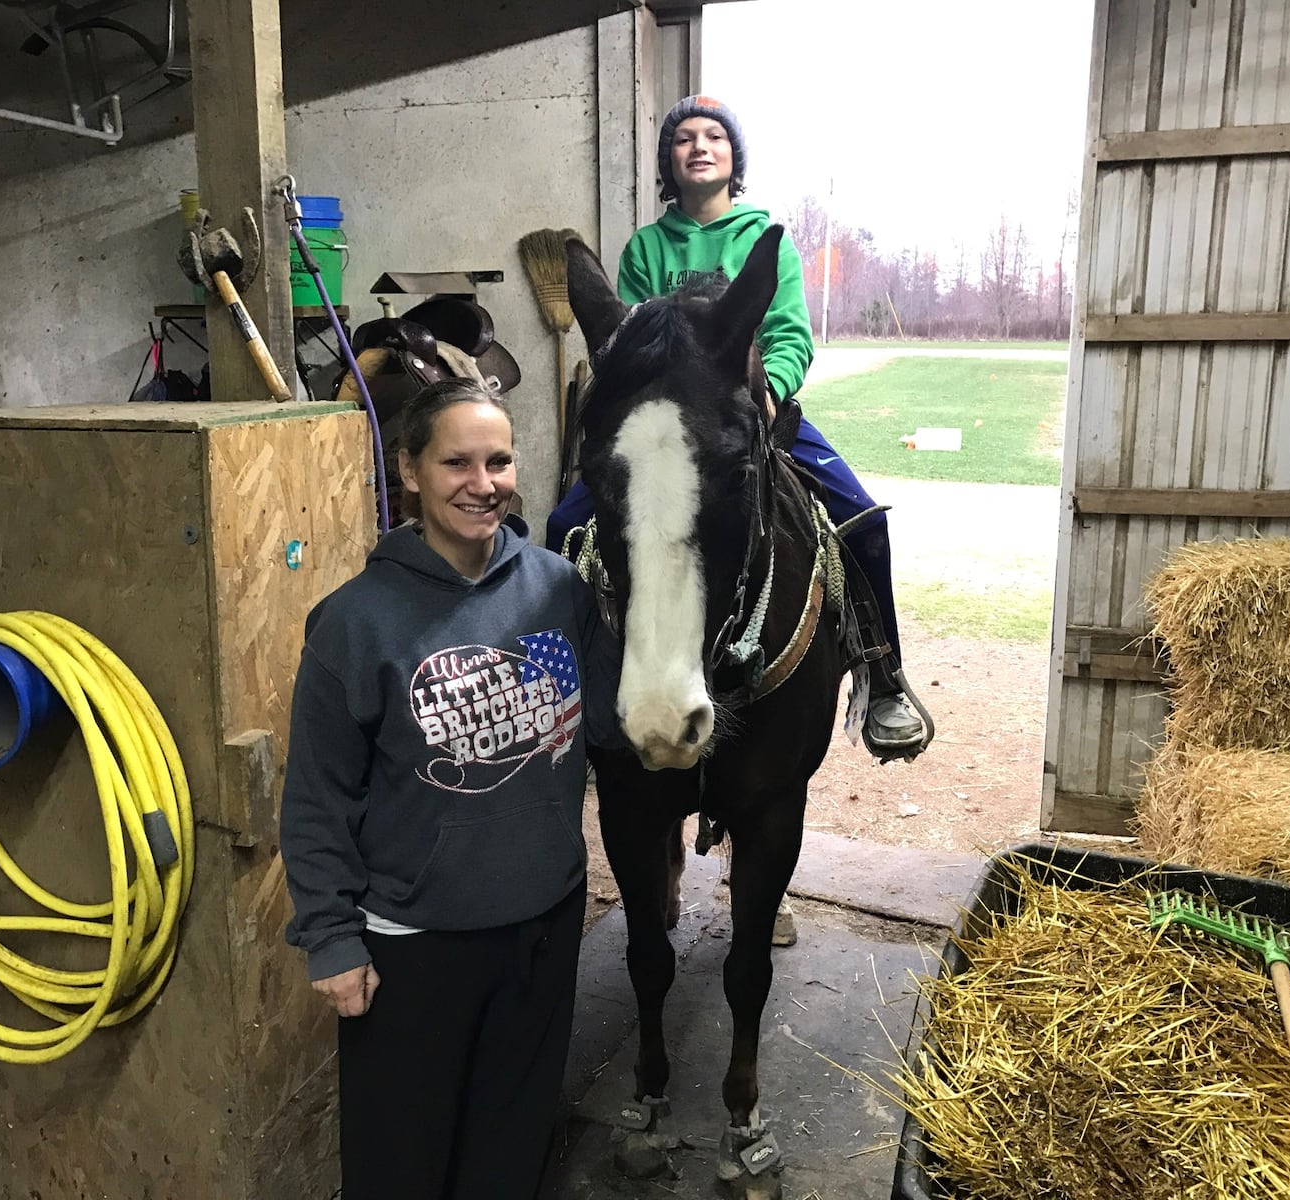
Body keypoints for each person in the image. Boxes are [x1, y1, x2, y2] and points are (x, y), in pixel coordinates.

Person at [281, 379, 620, 1200]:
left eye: (500, 460)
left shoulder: (556, 589)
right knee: (402, 1161)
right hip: (413, 943)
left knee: (509, 1148)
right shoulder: (356, 623)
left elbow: (607, 723)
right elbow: (316, 798)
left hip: (542, 924)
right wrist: (331, 938)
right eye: (456, 462)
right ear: (409, 471)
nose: (484, 482)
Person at [546, 94, 926, 761]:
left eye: (714, 136)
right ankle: (564, 685)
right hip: (667, 424)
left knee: (863, 517)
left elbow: (787, 334)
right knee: (563, 528)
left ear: (734, 157)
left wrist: (771, 391)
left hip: (753, 414)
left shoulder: (761, 239)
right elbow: (627, 340)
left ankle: (883, 673)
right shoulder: (646, 247)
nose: (699, 145)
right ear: (668, 160)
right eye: (684, 137)